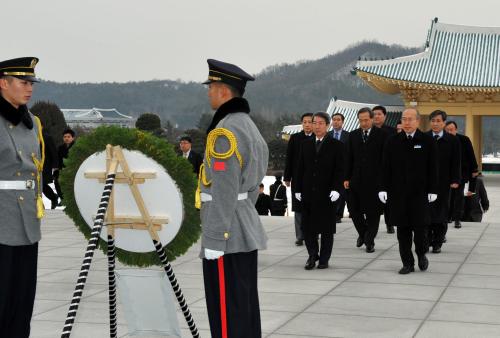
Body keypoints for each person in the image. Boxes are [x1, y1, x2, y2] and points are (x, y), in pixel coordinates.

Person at [199, 59, 268, 337]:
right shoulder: (248, 126)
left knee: (227, 313)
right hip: (242, 228)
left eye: (211, 87)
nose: (208, 93)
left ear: (224, 92)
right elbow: (251, 187)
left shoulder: (224, 132)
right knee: (244, 306)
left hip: (226, 237)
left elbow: (224, 190)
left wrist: (215, 238)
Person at [0, 57, 43, 337]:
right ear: (3, 83)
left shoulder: (33, 123)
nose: (29, 89)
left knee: (23, 298)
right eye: (23, 82)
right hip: (2, 219)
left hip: (27, 219)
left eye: (31, 83)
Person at [379, 107, 438, 274]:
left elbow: (433, 167)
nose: (406, 122)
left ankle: (421, 254)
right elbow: (385, 167)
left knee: (420, 232)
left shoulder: (427, 141)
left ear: (418, 121)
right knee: (403, 231)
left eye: (410, 119)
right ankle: (407, 263)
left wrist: (433, 189)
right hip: (398, 194)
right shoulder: (392, 141)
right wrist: (383, 188)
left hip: (420, 194)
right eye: (404, 119)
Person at [296, 112, 344, 270]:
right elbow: (300, 168)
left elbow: (340, 170)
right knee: (307, 227)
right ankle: (312, 255)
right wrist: (297, 188)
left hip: (327, 193)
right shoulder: (305, 144)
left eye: (320, 123)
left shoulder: (336, 145)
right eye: (314, 123)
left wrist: (337, 188)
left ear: (327, 125)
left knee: (326, 229)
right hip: (308, 191)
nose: (317, 126)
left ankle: (324, 259)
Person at [344, 107, 387, 253]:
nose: (363, 123)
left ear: (372, 119)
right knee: (354, 211)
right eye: (361, 120)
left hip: (374, 181)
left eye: (366, 120)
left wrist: (383, 182)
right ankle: (363, 233)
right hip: (355, 180)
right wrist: (346, 177)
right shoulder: (353, 135)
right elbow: (348, 158)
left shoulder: (382, 135)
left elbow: (384, 161)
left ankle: (369, 241)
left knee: (373, 213)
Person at [427, 110, 461, 253]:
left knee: (441, 213)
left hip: (444, 182)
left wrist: (455, 179)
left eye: (438, 121)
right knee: (426, 212)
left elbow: (456, 162)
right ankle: (427, 239)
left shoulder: (452, 140)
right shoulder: (424, 137)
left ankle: (438, 242)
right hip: (426, 182)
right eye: (433, 121)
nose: (435, 124)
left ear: (444, 122)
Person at [284, 112, 313, 246]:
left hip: (314, 179)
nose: (307, 125)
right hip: (298, 178)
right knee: (298, 208)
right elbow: (289, 158)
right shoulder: (295, 138)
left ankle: (313, 232)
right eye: (305, 122)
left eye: (310, 122)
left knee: (313, 207)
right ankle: (300, 235)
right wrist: (287, 177)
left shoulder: (319, 138)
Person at [445, 121, 479, 228]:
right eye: (447, 130)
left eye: (452, 129)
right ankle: (447, 216)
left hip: (461, 172)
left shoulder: (464, 140)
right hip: (446, 173)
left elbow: (471, 155)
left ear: (456, 129)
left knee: (458, 196)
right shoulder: (443, 140)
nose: (450, 132)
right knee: (447, 196)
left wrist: (474, 169)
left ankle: (457, 219)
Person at [373, 105, 397, 234]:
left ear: (384, 116)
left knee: (388, 199)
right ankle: (372, 225)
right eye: (374, 114)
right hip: (372, 170)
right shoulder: (366, 131)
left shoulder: (392, 132)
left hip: (388, 169)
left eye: (379, 114)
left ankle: (389, 223)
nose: (376, 116)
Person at [328, 113, 349, 223]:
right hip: (330, 168)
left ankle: (338, 214)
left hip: (344, 168)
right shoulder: (327, 135)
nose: (336, 122)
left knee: (342, 192)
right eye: (334, 119)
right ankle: (331, 212)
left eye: (338, 120)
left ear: (342, 121)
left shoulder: (348, 136)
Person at [54, 128, 75, 204]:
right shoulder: (60, 148)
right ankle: (63, 198)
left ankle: (71, 200)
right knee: (57, 182)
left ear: (73, 138)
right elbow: (58, 159)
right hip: (62, 169)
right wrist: (56, 169)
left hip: (73, 169)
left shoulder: (76, 147)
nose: (66, 138)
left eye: (68, 137)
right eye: (65, 137)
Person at [41, 130, 59, 209]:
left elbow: (53, 151)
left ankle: (53, 198)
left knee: (42, 184)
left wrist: (55, 165)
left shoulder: (47, 137)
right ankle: (40, 204)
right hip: (32, 164)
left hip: (45, 165)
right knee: (37, 185)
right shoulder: (29, 136)